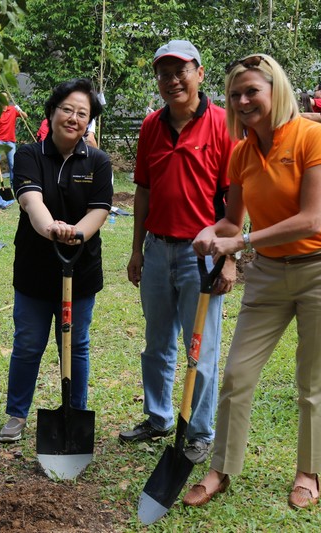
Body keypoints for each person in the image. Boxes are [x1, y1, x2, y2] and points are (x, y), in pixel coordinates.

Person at [182, 54, 321, 510]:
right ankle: (220, 467)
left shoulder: (314, 136)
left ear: (275, 91)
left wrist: (238, 243)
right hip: (269, 274)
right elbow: (231, 220)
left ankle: (308, 471)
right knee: (237, 374)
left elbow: (311, 219)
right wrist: (212, 232)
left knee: (313, 381)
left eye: (252, 91)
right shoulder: (241, 153)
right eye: (236, 94)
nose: (242, 101)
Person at [119, 39, 235, 466]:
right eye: (164, 73)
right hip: (157, 249)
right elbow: (144, 191)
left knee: (200, 348)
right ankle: (158, 416)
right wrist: (136, 250)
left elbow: (233, 199)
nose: (172, 81)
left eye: (180, 71)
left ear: (200, 73)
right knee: (156, 343)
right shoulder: (151, 125)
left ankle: (200, 431)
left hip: (200, 255)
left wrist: (229, 257)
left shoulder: (223, 124)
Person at [0, 78, 112, 442]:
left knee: (76, 344)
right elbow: (31, 201)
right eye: (67, 109)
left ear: (88, 122)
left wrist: (76, 233)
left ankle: (74, 412)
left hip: (81, 270)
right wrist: (53, 229)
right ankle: (17, 414)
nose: (74, 118)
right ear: (52, 112)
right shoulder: (30, 155)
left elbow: (99, 210)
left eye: (83, 113)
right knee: (29, 342)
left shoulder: (98, 161)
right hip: (34, 269)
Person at [0, 93, 28, 182]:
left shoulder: (13, 110)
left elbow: (25, 117)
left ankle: (13, 185)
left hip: (10, 141)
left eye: (5, 98)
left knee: (13, 164)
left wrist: (20, 110)